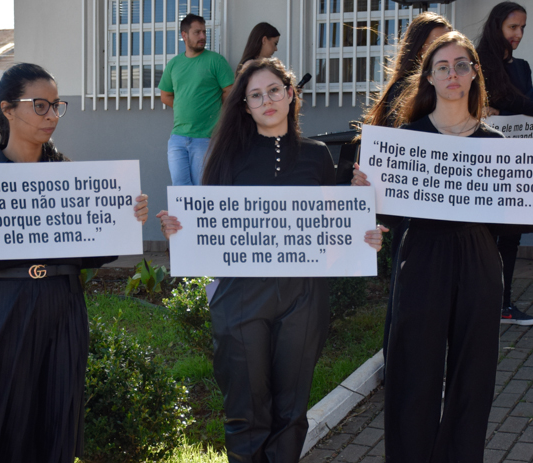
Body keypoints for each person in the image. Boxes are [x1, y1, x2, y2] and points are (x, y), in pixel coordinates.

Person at [351, 31, 533, 462]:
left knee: (473, 375)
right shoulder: (406, 139)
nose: (452, 74)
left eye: (461, 65)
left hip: (478, 259)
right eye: (442, 67)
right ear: (429, 79)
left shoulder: (494, 144)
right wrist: (365, 193)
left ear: (475, 74)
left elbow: (510, 220)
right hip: (421, 257)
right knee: (413, 369)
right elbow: (387, 216)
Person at [0, 63, 150, 463]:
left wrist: (124, 218)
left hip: (65, 304)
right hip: (9, 304)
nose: (52, 116)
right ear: (7, 109)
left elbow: (92, 254)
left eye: (56, 106)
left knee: (55, 414)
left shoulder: (69, 176)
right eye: (40, 105)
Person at [157, 58, 386, 463]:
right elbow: (208, 226)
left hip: (304, 296)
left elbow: (329, 228)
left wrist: (364, 234)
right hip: (241, 294)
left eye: (274, 91)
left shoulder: (318, 157)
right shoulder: (225, 156)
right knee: (246, 410)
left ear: (291, 94)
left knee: (291, 411)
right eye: (256, 95)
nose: (267, 101)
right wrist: (180, 229)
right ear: (244, 106)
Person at [358, 10, 452, 357]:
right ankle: (397, 364)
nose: (438, 52)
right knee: (407, 293)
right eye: (432, 44)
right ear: (416, 49)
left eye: (443, 43)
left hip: (442, 208)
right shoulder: (403, 90)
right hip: (411, 212)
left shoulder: (450, 91)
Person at [476, 1, 533, 327]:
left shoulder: (522, 66)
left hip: (516, 166)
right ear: (497, 25)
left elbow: (519, 102)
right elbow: (499, 103)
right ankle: (481, 303)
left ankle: (504, 303)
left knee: (511, 235)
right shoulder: (475, 63)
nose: (519, 34)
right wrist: (483, 109)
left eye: (523, 28)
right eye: (513, 27)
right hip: (484, 166)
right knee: (483, 235)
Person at [158, 13, 235, 186]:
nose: (202, 37)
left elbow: (230, 91)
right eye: (197, 32)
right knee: (180, 191)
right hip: (178, 138)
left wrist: (214, 110)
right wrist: (184, 106)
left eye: (204, 32)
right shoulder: (174, 64)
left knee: (202, 191)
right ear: (184, 35)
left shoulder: (216, 61)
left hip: (206, 138)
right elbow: (165, 96)